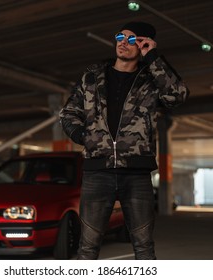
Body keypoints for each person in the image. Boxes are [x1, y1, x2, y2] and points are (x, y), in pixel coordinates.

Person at [59, 21, 189, 260]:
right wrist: (85, 137)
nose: (123, 43)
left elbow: (177, 95)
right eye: (121, 36)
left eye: (133, 40)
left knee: (144, 248)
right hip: (98, 171)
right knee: (87, 249)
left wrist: (153, 58)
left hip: (136, 173)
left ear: (144, 45)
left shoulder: (150, 81)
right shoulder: (92, 78)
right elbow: (69, 113)